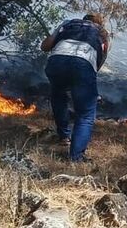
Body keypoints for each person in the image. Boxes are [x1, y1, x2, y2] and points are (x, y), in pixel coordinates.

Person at [41, 13, 109, 161]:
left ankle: (64, 137)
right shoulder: (102, 33)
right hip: (83, 64)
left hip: (56, 61)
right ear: (100, 23)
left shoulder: (68, 23)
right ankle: (76, 157)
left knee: (58, 95)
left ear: (83, 20)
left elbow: (44, 46)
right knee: (85, 113)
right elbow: (100, 61)